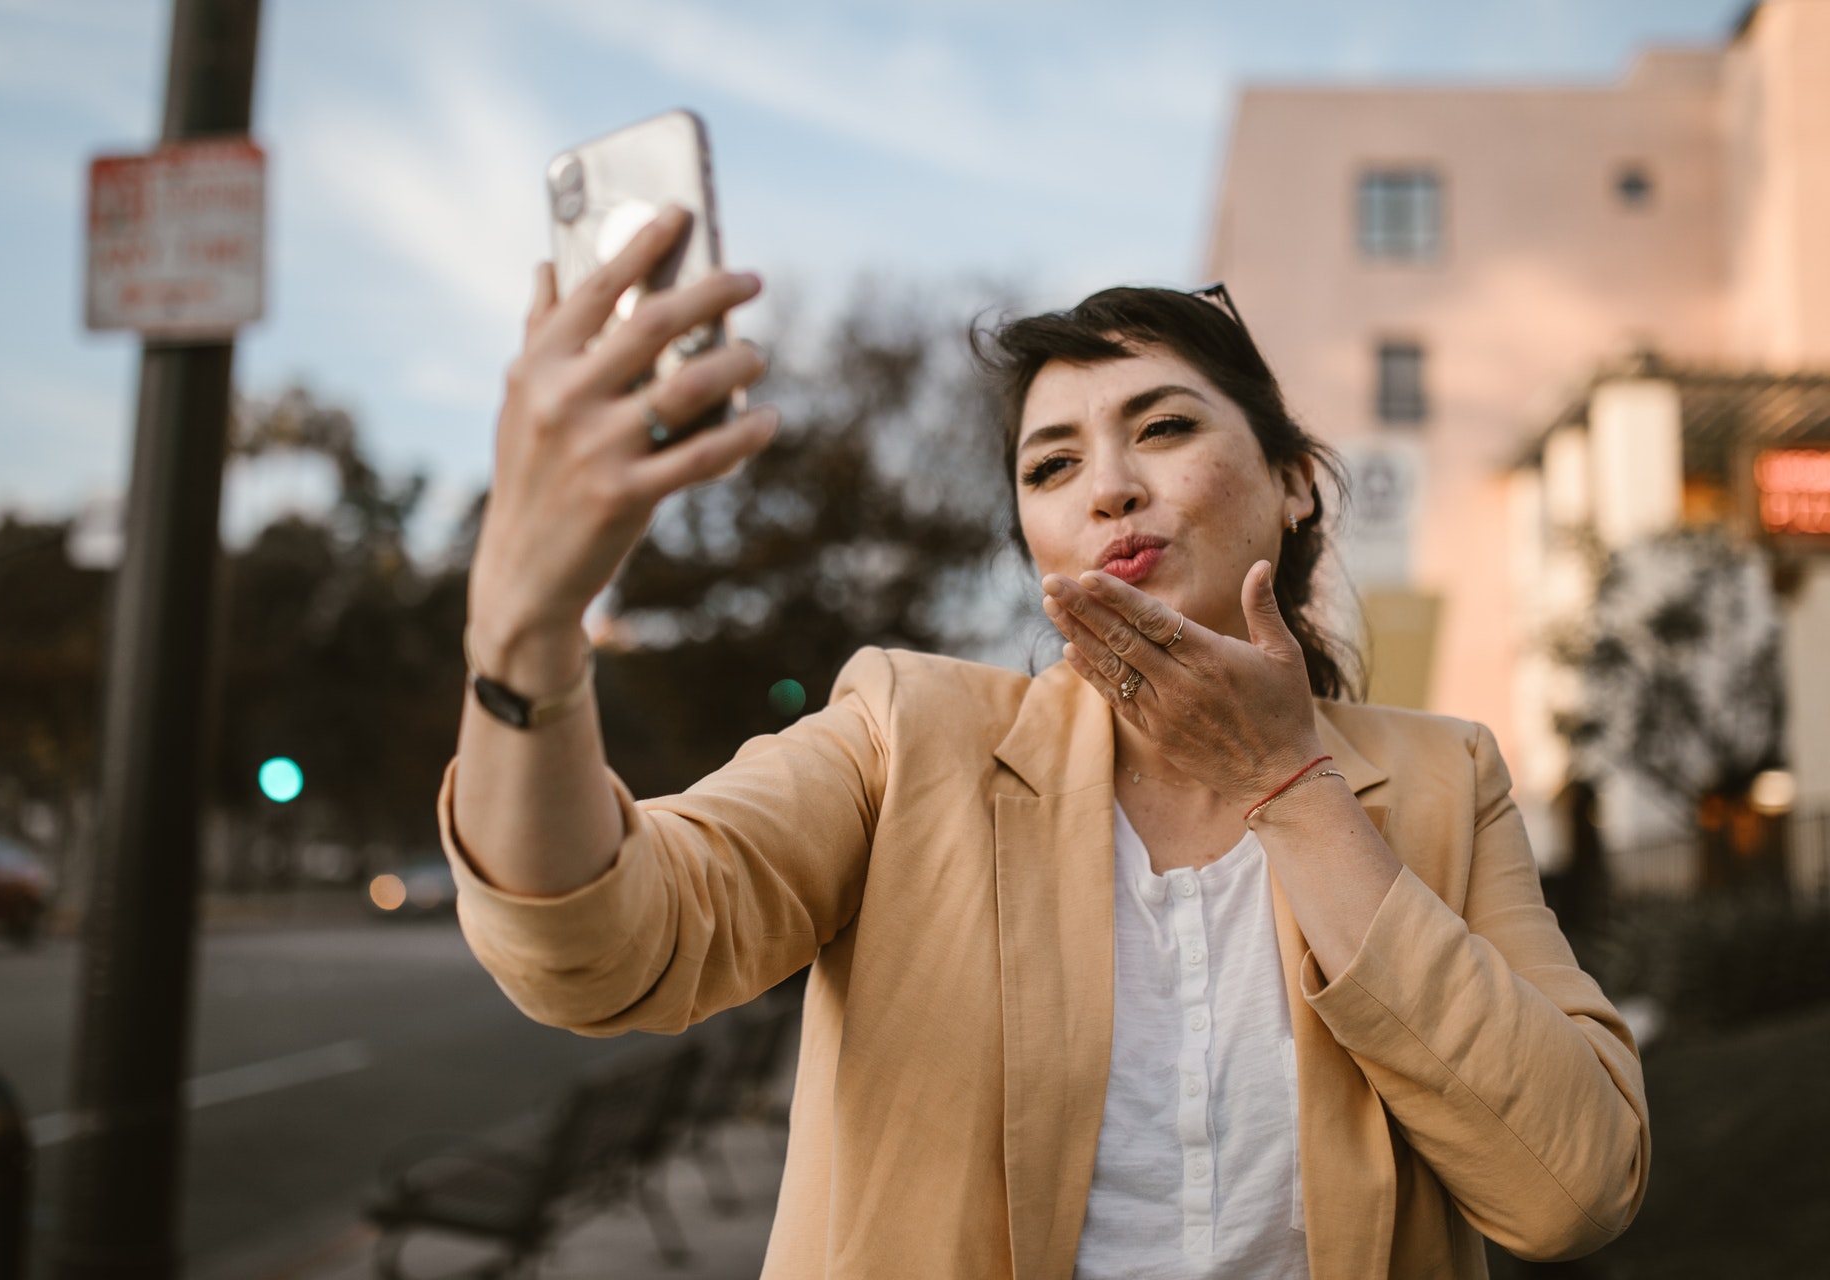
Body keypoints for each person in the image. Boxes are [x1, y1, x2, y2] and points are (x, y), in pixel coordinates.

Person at [443, 207, 1649, 1279]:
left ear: (1292, 482)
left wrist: (1291, 783)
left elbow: (1573, 1189)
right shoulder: (905, 735)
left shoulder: (1450, 775)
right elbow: (597, 948)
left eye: (1163, 426)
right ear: (1033, 540)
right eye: (1052, 463)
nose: (1108, 487)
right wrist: (526, 633)